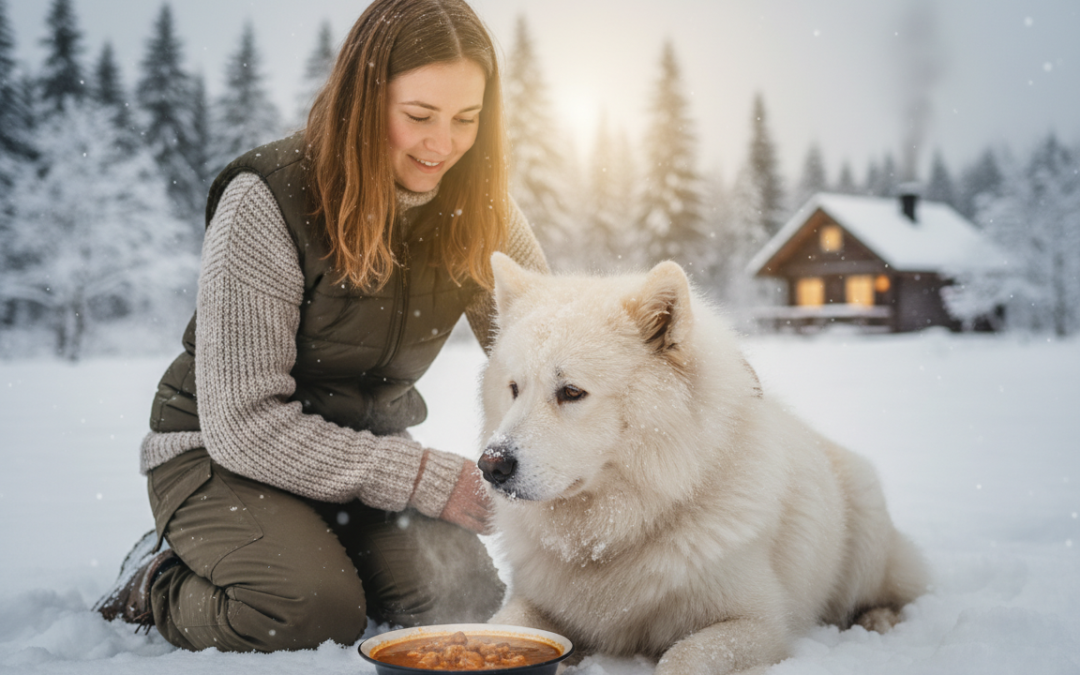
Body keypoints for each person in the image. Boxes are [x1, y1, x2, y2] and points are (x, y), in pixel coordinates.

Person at [94, 0, 548, 652]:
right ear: (365, 101)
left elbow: (550, 342)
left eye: (466, 119)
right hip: (221, 458)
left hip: (358, 461)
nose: (441, 143)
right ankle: (158, 577)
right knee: (304, 608)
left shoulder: (480, 209)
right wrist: (421, 478)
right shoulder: (269, 199)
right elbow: (244, 425)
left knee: (464, 596)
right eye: (418, 116)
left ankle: (325, 550)